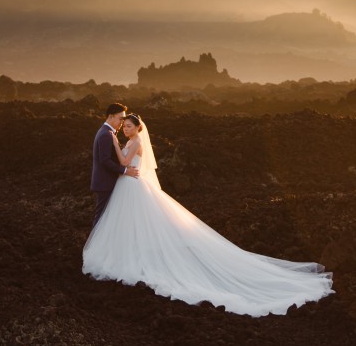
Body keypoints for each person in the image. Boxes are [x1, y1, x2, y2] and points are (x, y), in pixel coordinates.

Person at [83, 113, 334, 317]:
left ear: (138, 128)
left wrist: (116, 144)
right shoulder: (130, 139)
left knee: (140, 221)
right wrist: (118, 144)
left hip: (133, 185)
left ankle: (133, 254)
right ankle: (132, 250)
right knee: (133, 222)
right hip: (130, 186)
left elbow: (125, 162)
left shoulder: (134, 142)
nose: (125, 128)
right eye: (123, 125)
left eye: (128, 125)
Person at [90, 102, 139, 227]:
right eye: (120, 119)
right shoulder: (106, 134)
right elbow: (105, 160)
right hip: (105, 183)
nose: (122, 123)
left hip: (107, 182)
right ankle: (96, 245)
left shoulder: (106, 132)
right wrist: (125, 171)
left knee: (106, 217)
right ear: (111, 117)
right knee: (101, 217)